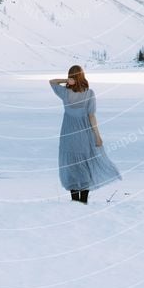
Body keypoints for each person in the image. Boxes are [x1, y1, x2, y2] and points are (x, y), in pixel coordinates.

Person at [49, 65, 122, 203]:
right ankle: (83, 202)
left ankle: (75, 202)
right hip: (84, 135)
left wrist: (67, 80)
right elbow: (91, 116)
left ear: (72, 77)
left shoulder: (65, 92)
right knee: (84, 166)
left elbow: (52, 82)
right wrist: (97, 136)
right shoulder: (89, 93)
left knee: (72, 167)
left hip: (68, 136)